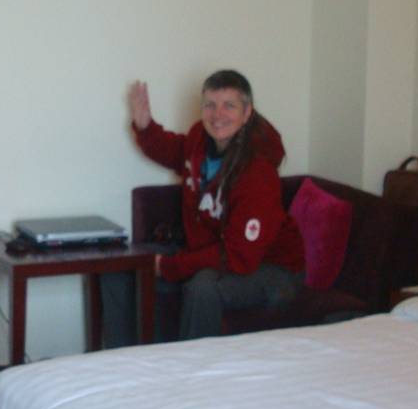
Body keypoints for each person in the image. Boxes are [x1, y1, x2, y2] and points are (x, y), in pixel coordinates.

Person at [102, 69, 305, 345]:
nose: (217, 114)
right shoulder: (200, 136)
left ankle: (191, 376)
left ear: (247, 113)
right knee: (122, 269)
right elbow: (178, 152)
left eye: (229, 106)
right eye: (210, 105)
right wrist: (146, 126)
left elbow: (238, 257)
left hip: (273, 271)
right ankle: (125, 365)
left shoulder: (257, 171)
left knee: (203, 287)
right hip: (213, 251)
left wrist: (171, 267)